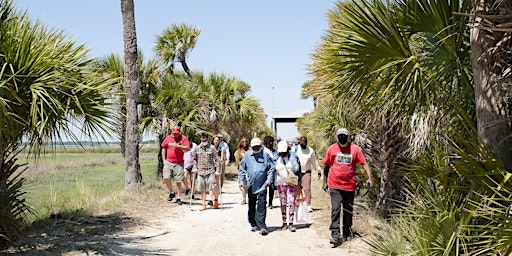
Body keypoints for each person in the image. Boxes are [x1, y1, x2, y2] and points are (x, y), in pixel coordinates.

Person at [322, 128, 374, 246]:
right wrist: (324, 182)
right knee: (335, 210)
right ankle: (335, 235)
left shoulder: (355, 149)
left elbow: (364, 164)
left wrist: (370, 178)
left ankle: (347, 232)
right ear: (337, 137)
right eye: (339, 136)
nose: (342, 138)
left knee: (347, 210)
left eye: (344, 136)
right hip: (335, 185)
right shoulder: (332, 149)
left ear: (348, 137)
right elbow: (326, 166)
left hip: (349, 186)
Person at [238, 137, 275, 236]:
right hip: (251, 184)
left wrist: (269, 180)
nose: (255, 148)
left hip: (263, 184)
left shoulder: (265, 155)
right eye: (254, 147)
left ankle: (262, 225)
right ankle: (253, 223)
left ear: (260, 146)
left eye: (257, 147)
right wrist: (241, 181)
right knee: (251, 205)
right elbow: (242, 169)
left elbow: (271, 168)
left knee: (262, 205)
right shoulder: (247, 156)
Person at [275, 140, 302, 232]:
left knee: (291, 202)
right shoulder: (276, 157)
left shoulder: (293, 156)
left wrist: (300, 182)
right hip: (280, 183)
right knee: (283, 203)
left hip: (291, 183)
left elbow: (298, 169)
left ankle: (291, 223)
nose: (282, 153)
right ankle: (284, 222)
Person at [161, 126, 191, 205]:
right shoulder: (168, 138)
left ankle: (178, 197)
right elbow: (164, 148)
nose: (175, 135)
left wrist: (179, 146)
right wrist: (164, 160)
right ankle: (171, 192)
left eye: (176, 133)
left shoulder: (183, 138)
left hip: (179, 162)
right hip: (168, 161)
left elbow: (188, 148)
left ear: (179, 132)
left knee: (178, 180)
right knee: (166, 177)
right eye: (174, 133)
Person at [192, 132, 221, 210]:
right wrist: (194, 168)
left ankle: (216, 200)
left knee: (212, 186)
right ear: (200, 138)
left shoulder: (212, 148)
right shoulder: (197, 148)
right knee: (202, 187)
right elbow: (194, 160)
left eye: (205, 137)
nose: (203, 139)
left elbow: (217, 159)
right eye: (202, 137)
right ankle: (203, 204)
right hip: (200, 171)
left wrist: (218, 170)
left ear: (207, 138)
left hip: (210, 171)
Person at [293, 136, 322, 212]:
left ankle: (308, 205)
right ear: (299, 142)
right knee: (296, 189)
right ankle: (295, 204)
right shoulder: (295, 149)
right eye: (301, 143)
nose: (303, 145)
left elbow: (314, 162)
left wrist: (318, 170)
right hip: (297, 172)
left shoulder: (310, 151)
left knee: (307, 189)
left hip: (306, 172)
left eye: (304, 143)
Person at [208, 135, 225, 206]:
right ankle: (210, 199)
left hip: (218, 166)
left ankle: (216, 199)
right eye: (215, 140)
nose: (216, 141)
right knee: (210, 182)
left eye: (217, 140)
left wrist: (216, 159)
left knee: (217, 184)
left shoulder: (222, 148)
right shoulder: (210, 148)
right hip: (211, 166)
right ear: (212, 141)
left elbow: (222, 159)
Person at [262, 135, 277, 208]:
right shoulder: (263, 150)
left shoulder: (275, 151)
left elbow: (276, 159)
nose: (270, 144)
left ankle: (270, 202)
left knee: (271, 187)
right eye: (269, 143)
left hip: (272, 171)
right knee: (264, 186)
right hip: (264, 170)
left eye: (271, 143)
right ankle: (264, 201)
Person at [234, 136, 249, 204]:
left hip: (250, 170)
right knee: (243, 184)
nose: (244, 143)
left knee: (250, 185)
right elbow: (237, 161)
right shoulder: (238, 151)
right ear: (241, 143)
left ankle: (251, 198)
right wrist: (243, 165)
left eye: (246, 141)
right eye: (243, 141)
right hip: (242, 170)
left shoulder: (250, 150)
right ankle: (244, 199)